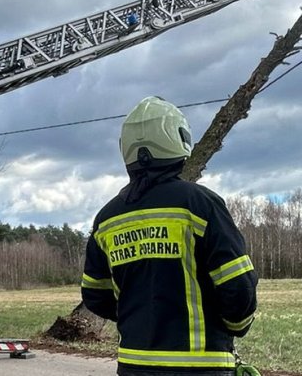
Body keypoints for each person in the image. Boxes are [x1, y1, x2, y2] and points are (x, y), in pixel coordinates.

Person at [82, 96, 258, 376]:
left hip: (134, 366)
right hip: (201, 367)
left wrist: (139, 318)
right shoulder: (201, 205)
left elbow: (95, 294)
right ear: (179, 139)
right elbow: (238, 286)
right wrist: (236, 326)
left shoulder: (107, 219)